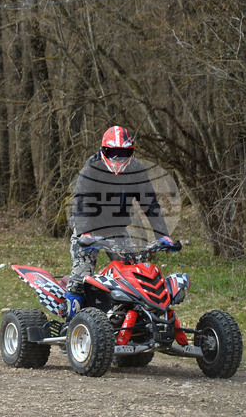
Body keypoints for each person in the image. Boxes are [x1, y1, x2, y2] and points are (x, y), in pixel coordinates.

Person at [65, 126, 171, 318]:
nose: (118, 158)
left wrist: (163, 236)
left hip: (116, 228)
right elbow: (81, 203)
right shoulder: (91, 168)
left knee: (132, 277)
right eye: (113, 152)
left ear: (130, 152)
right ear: (104, 150)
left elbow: (150, 204)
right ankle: (71, 325)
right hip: (89, 228)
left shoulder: (136, 170)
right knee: (81, 277)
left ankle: (128, 323)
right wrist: (84, 233)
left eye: (123, 153)